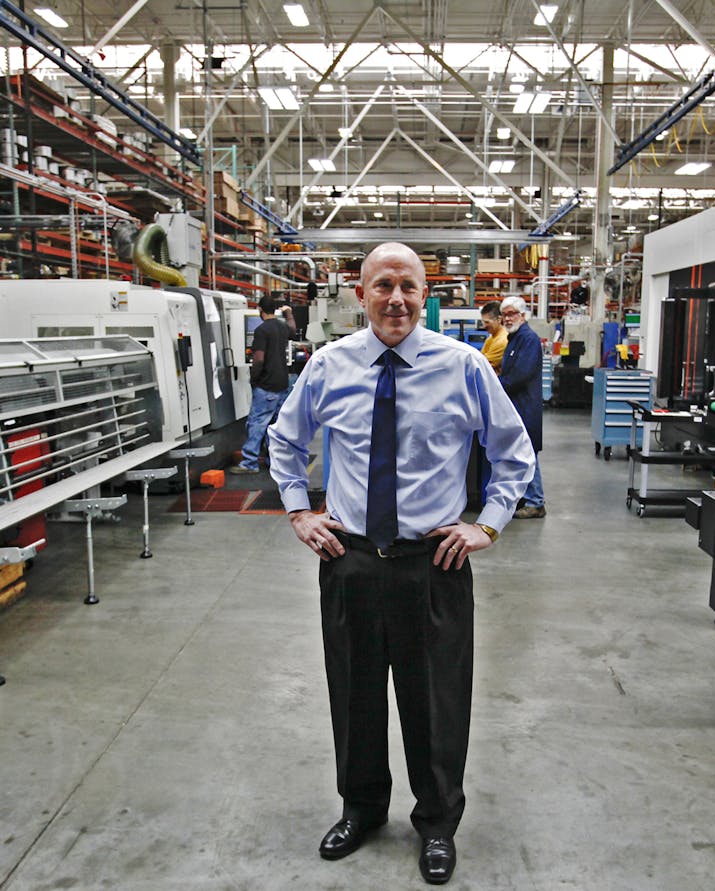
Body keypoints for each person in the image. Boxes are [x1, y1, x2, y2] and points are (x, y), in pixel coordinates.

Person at [267, 243, 534, 886]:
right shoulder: (330, 366)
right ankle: (361, 809)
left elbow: (513, 451)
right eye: (382, 285)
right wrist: (301, 511)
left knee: (435, 701)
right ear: (359, 295)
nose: (396, 299)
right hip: (352, 558)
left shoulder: (464, 365)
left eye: (408, 286)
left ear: (424, 293)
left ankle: (437, 823)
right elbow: (285, 437)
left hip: (431, 564)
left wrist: (487, 523)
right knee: (355, 694)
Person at [228, 294, 292, 474]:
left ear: (260, 310)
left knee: (257, 423)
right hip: (282, 384)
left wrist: (254, 379)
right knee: (274, 425)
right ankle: (274, 460)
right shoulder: (282, 327)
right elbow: (293, 330)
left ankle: (249, 463)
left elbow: (258, 359)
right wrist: (289, 314)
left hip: (266, 385)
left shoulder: (261, 330)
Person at [497, 295, 545, 518]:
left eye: (511, 314)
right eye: (504, 314)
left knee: (528, 453)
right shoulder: (514, 337)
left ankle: (536, 502)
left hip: (525, 406)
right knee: (520, 453)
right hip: (515, 405)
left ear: (523, 315)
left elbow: (520, 375)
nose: (507, 318)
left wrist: (494, 387)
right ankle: (526, 498)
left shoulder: (529, 339)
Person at [478, 301, 507, 373]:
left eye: (487, 322)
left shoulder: (502, 341)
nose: (484, 326)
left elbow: (482, 365)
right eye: (483, 322)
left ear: (499, 319)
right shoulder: (492, 338)